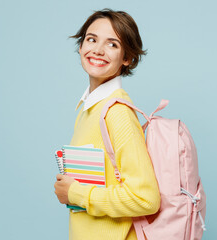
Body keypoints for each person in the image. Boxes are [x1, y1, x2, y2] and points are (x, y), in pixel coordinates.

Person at [54, 9, 161, 240]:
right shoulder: (89, 108)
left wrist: (76, 193)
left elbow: (145, 198)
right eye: (91, 39)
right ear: (81, 46)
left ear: (127, 58)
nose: (98, 50)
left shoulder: (116, 112)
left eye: (112, 44)